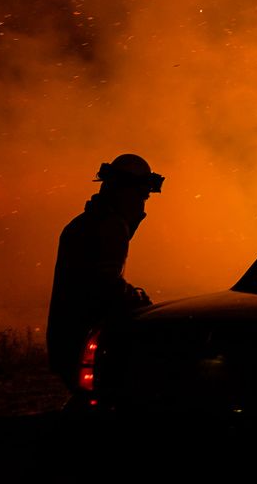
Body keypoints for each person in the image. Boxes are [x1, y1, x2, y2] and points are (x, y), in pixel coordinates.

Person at [46, 153, 163, 400]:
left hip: (65, 338)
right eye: (142, 195)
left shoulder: (81, 224)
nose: (143, 203)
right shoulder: (111, 227)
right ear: (126, 192)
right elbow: (105, 286)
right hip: (83, 341)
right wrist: (140, 301)